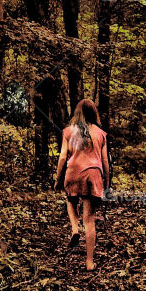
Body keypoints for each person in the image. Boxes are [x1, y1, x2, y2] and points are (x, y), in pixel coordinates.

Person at [54, 98, 109, 271]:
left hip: (73, 173)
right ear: (94, 113)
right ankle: (89, 262)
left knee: (70, 201)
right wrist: (106, 182)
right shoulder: (100, 133)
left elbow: (63, 157)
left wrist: (57, 178)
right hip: (93, 175)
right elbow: (105, 161)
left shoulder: (68, 131)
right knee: (90, 220)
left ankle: (74, 229)